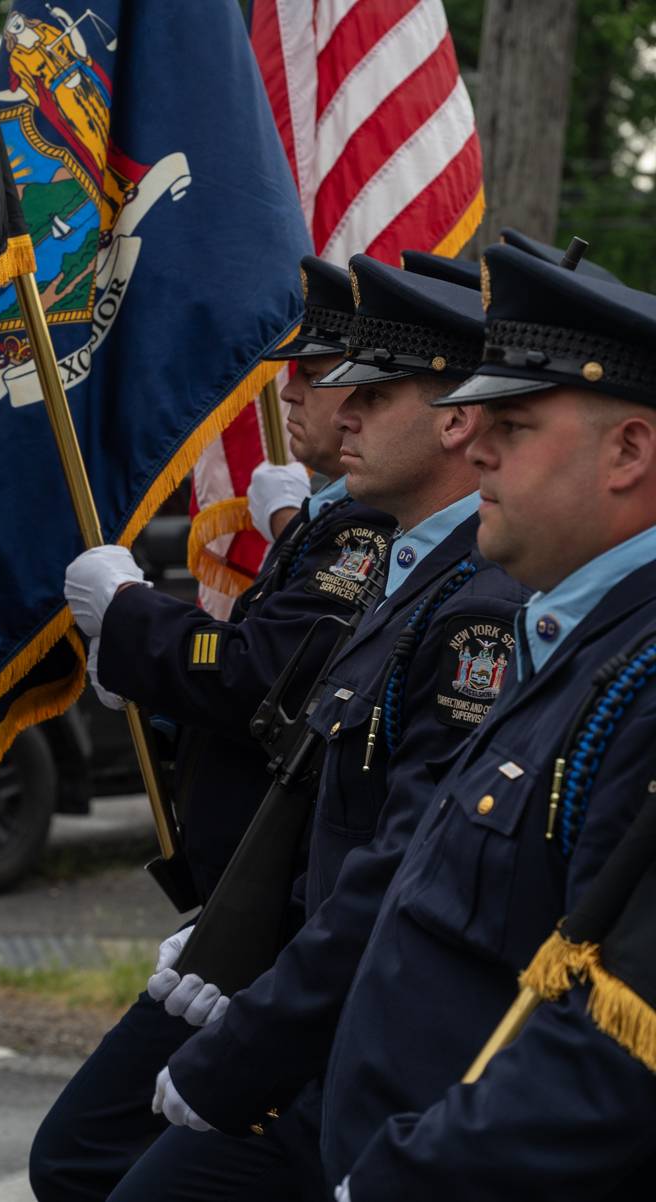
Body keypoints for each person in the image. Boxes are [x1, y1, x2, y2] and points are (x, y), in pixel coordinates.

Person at [160, 242, 656, 1202]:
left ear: (628, 452)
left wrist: (406, 1179)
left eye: (511, 423)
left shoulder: (629, 667)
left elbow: (611, 1042)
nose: (473, 447)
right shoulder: (574, 631)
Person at [101, 253, 527, 1201]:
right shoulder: (418, 569)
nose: (336, 406)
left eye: (371, 392)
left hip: (364, 1025)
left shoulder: (475, 602)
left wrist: (263, 990)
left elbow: (404, 856)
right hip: (320, 997)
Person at [29, 255, 396, 1202]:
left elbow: (261, 678)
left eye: (327, 377)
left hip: (280, 930)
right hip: (247, 906)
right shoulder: (335, 522)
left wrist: (135, 619)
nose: (307, 397)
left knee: (83, 1159)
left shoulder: (371, 534)